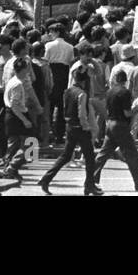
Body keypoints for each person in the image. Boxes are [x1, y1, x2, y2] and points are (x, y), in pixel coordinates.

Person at [38, 66, 101, 195]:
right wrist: (86, 126)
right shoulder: (82, 94)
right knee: (89, 158)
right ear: (84, 81)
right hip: (80, 128)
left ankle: (46, 178)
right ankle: (89, 185)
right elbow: (81, 113)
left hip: (70, 126)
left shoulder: (67, 91)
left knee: (66, 156)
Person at [92, 69, 138, 192]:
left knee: (103, 153)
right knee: (132, 153)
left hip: (110, 123)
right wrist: (136, 108)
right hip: (120, 126)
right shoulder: (125, 92)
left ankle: (91, 178)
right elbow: (127, 113)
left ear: (115, 79)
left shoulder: (109, 92)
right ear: (125, 80)